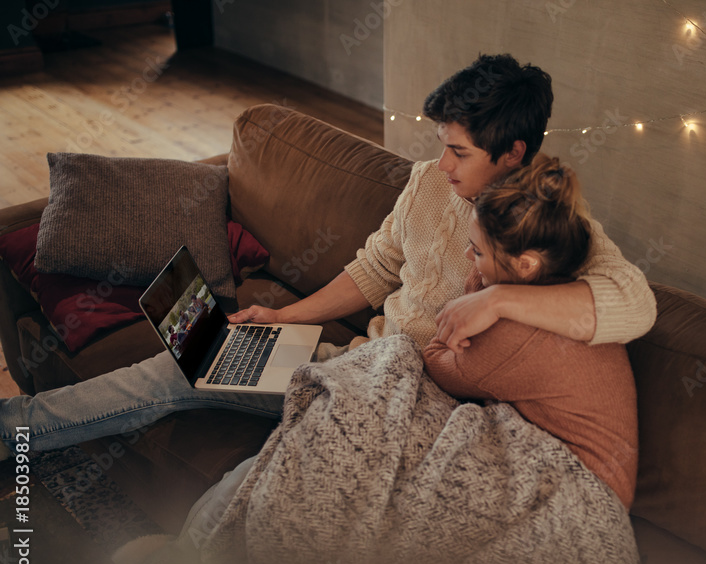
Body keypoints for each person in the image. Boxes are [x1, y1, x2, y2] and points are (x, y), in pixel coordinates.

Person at [0, 53, 656, 458]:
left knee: (189, 381)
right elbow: (375, 267)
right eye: (442, 144)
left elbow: (636, 301)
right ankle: (15, 427)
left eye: (460, 151)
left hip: (414, 400)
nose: (442, 163)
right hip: (359, 363)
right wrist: (284, 319)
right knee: (193, 359)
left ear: (513, 153)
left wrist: (500, 295)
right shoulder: (429, 182)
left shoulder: (551, 225)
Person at [423, 156, 638, 508]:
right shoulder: (566, 290)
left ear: (525, 265)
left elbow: (435, 364)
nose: (467, 255)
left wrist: (475, 292)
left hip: (583, 495)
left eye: (477, 251)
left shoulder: (516, 333)